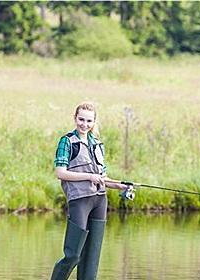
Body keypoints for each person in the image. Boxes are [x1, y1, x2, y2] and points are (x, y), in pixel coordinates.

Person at [51, 102, 126, 280]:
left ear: (94, 122)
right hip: (79, 201)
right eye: (81, 119)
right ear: (75, 118)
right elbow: (60, 173)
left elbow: (103, 177)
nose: (84, 124)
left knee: (91, 260)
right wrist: (88, 177)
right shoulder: (67, 141)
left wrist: (120, 185)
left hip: (100, 201)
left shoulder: (98, 144)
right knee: (73, 255)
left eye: (89, 121)